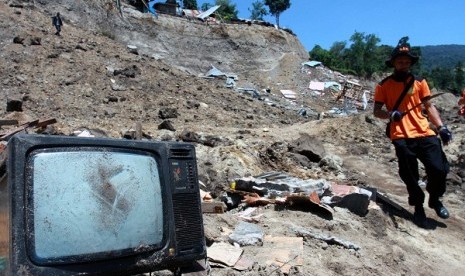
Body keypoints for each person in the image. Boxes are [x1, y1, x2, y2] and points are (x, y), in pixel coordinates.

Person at [373, 37, 453, 228]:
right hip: (400, 135)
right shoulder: (383, 85)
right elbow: (377, 111)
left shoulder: (419, 82)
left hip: (424, 132)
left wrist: (441, 127)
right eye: (400, 61)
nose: (404, 64)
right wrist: (391, 115)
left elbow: (429, 105)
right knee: (410, 175)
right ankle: (418, 206)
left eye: (407, 61)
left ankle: (434, 199)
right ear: (393, 62)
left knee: (439, 169)